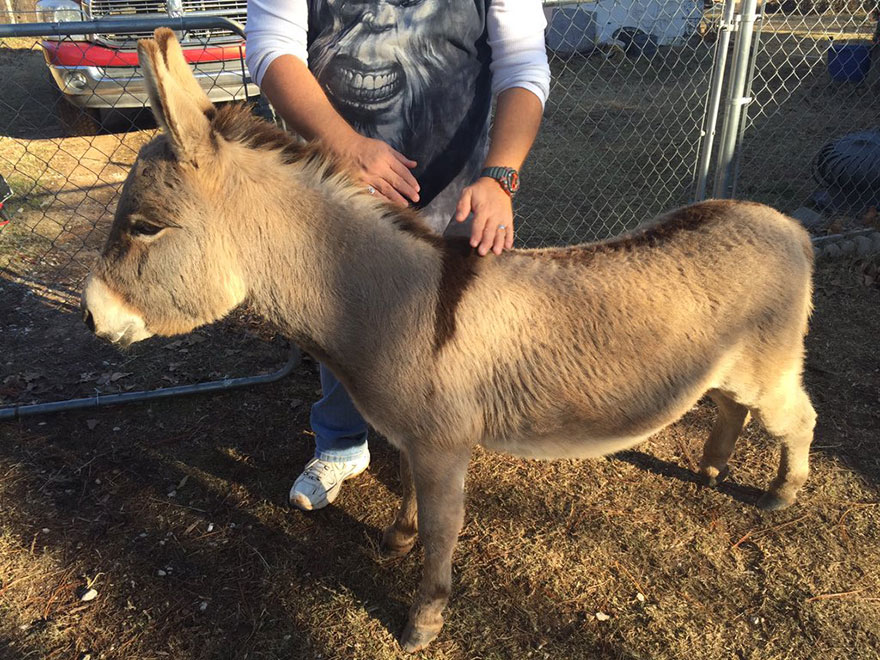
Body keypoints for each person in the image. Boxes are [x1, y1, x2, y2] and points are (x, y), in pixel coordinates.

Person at [245, 0, 551, 510]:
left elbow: (522, 62)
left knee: (450, 325)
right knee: (343, 315)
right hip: (337, 181)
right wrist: (341, 143)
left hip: (457, 184)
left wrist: (501, 175)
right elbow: (272, 46)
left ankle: (438, 433)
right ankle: (341, 443)